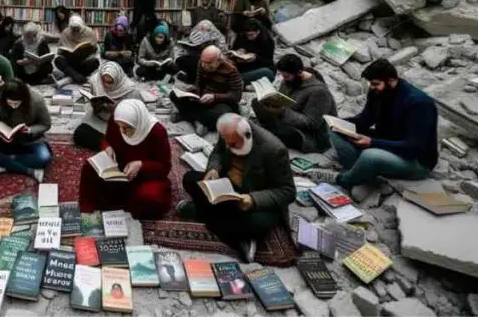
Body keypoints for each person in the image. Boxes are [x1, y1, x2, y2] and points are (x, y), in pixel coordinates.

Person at [177, 114, 295, 262]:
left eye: (234, 145)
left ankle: (200, 211)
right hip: (228, 187)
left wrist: (252, 199)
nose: (229, 148)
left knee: (256, 223)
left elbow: (287, 192)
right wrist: (214, 169)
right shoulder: (228, 132)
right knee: (189, 179)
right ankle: (230, 229)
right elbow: (217, 153)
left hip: (254, 200)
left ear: (247, 136)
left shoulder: (273, 150)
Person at [312, 59, 438, 190]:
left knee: (370, 155)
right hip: (384, 142)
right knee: (333, 128)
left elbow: (413, 147)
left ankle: (344, 179)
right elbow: (365, 120)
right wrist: (339, 123)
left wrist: (372, 143)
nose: (371, 87)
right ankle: (358, 170)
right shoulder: (377, 92)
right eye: (370, 84)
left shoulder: (418, 103)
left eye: (375, 84)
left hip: (414, 160)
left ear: (390, 81)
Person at [79, 99, 173, 220]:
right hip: (119, 171)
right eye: (119, 127)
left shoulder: (157, 131)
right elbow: (107, 140)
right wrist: (107, 147)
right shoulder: (116, 121)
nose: (122, 131)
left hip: (144, 176)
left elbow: (164, 167)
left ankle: (127, 203)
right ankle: (90, 211)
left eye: (127, 128)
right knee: (89, 167)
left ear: (138, 123)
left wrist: (141, 165)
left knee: (150, 197)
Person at [253, 54, 336, 153]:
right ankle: (269, 128)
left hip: (308, 135)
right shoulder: (290, 80)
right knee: (256, 102)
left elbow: (311, 123)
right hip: (286, 117)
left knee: (285, 133)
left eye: (286, 76)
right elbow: (282, 98)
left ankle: (269, 129)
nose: (284, 79)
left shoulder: (319, 92)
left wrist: (282, 111)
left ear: (299, 73)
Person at [0, 78, 52, 181]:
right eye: (10, 103)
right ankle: (30, 171)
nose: (13, 107)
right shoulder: (0, 99)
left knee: (44, 158)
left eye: (16, 103)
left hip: (30, 140)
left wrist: (31, 130)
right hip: (5, 139)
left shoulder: (37, 100)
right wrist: (2, 130)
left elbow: (46, 124)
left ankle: (3, 164)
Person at [170, 45, 244, 136]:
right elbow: (199, 83)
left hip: (221, 102)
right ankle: (198, 120)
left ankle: (188, 117)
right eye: (203, 62)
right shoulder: (202, 64)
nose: (204, 66)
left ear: (219, 61)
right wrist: (193, 90)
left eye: (209, 63)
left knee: (221, 116)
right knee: (174, 95)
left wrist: (214, 97)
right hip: (203, 97)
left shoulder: (231, 70)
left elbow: (236, 95)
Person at [73, 61, 143, 151]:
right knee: (80, 134)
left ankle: (112, 146)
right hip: (99, 120)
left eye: (110, 82)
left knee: (131, 140)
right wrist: (93, 103)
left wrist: (115, 109)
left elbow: (138, 115)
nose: (106, 85)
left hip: (120, 125)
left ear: (118, 80)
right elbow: (88, 95)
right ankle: (108, 146)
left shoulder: (131, 91)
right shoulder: (96, 81)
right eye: (104, 81)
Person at [54, 15, 100, 84]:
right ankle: (79, 77)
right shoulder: (65, 32)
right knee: (58, 60)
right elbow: (59, 51)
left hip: (83, 61)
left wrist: (87, 49)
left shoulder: (89, 32)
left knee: (95, 62)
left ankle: (72, 77)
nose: (75, 30)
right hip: (70, 62)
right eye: (73, 28)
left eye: (77, 28)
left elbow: (94, 49)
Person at [229, 19, 276, 84]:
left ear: (258, 31)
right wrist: (239, 52)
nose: (249, 37)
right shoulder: (241, 36)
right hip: (242, 67)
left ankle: (237, 81)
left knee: (268, 73)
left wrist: (256, 58)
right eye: (247, 35)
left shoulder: (267, 41)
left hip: (259, 67)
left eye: (251, 35)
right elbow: (234, 51)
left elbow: (268, 61)